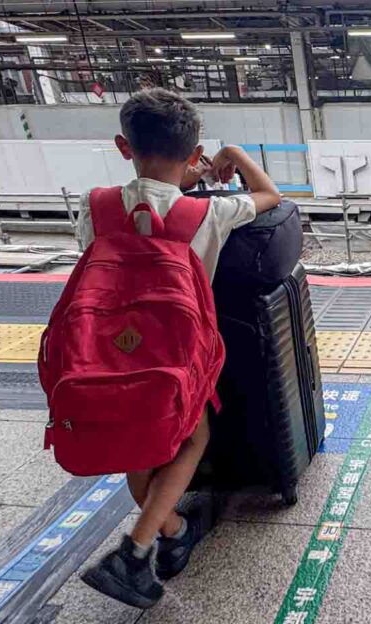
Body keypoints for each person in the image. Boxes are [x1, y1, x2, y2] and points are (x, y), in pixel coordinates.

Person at [77, 90, 281, 608]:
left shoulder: (96, 206)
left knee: (137, 447)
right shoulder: (204, 215)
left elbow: (109, 241)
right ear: (194, 156)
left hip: (103, 354)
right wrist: (233, 157)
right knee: (191, 440)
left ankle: (171, 533)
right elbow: (270, 196)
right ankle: (135, 550)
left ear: (124, 147)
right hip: (176, 358)